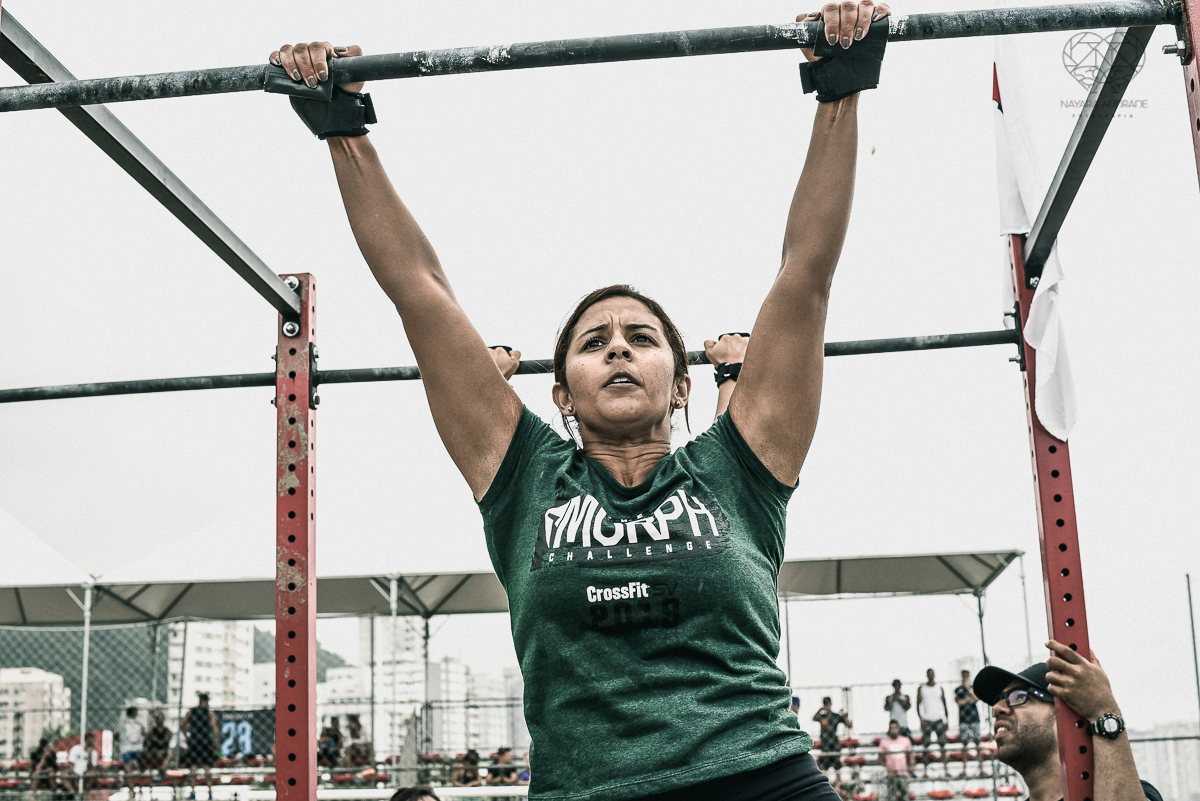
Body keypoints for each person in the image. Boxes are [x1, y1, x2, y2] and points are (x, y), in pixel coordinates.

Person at [268, 2, 890, 795]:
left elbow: (806, 274)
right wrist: (340, 125)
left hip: (759, 775)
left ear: (682, 381)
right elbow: (421, 295)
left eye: (641, 337)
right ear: (560, 393)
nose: (620, 347)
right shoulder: (523, 474)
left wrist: (841, 88)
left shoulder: (742, 462)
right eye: (594, 343)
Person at [972, 641, 1161, 801]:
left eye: (1017, 696)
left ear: (1065, 715)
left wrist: (1104, 710)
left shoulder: (1127, 792)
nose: (997, 708)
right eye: (999, 699)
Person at [181, 693, 220, 800]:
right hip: (206, 741)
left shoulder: (191, 712)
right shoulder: (208, 713)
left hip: (194, 741)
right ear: (205, 701)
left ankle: (193, 792)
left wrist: (186, 736)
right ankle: (209, 791)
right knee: (207, 767)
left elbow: (182, 724)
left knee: (193, 767)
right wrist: (216, 742)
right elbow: (215, 727)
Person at [916, 668, 949, 776]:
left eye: (932, 674)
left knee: (942, 744)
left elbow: (944, 703)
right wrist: (920, 719)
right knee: (925, 745)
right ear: (927, 675)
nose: (931, 676)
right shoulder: (922, 688)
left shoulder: (939, 687)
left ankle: (946, 770)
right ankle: (925, 771)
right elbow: (918, 705)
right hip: (927, 719)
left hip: (938, 718)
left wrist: (946, 719)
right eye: (929, 674)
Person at [955, 669, 986, 777]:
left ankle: (981, 768)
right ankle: (964, 769)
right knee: (964, 745)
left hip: (974, 719)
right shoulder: (958, 690)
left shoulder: (973, 688)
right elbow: (960, 703)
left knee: (978, 743)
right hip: (964, 719)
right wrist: (969, 699)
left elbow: (977, 698)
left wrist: (968, 689)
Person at [812, 697, 852, 771]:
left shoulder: (835, 716)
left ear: (831, 704)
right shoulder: (822, 716)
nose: (827, 706)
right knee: (823, 763)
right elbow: (814, 718)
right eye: (825, 705)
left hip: (834, 742)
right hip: (825, 742)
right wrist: (820, 709)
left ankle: (838, 781)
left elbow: (849, 725)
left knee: (837, 763)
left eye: (828, 704)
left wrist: (845, 715)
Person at [878, 720, 914, 801]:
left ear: (898, 729)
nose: (893, 730)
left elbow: (910, 756)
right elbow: (880, 759)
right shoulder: (884, 742)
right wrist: (887, 767)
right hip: (891, 775)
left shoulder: (906, 740)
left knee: (905, 796)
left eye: (894, 728)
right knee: (892, 798)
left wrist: (911, 765)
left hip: (903, 773)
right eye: (891, 728)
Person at [119, 706, 146, 794]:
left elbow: (119, 735)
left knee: (128, 769)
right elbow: (144, 734)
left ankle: (131, 790)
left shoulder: (123, 723)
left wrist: (123, 736)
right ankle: (131, 788)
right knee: (128, 768)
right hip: (138, 749)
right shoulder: (139, 723)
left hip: (127, 749)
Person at [141, 710, 173, 779]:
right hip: (153, 750)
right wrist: (148, 739)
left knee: (167, 754)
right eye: (156, 718)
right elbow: (145, 740)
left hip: (163, 750)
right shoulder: (152, 730)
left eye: (159, 718)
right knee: (156, 753)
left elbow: (166, 740)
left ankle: (162, 770)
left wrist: (156, 740)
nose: (157, 720)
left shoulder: (167, 730)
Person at [28, 736, 58, 800]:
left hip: (48, 773)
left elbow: (53, 768)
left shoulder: (52, 754)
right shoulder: (35, 754)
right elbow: (37, 768)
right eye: (47, 746)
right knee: (37, 774)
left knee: (51, 774)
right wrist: (44, 757)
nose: (49, 748)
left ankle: (54, 794)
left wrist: (44, 770)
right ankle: (33, 796)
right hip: (38, 773)